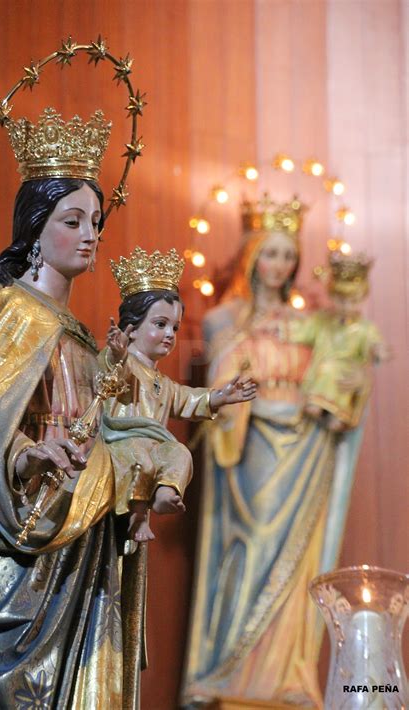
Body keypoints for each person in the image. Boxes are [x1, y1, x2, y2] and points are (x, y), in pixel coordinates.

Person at [0, 106, 144, 708]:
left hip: (79, 533)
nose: (90, 235)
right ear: (35, 228)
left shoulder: (76, 329)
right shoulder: (14, 314)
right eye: (72, 220)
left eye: (96, 222)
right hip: (22, 539)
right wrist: (28, 456)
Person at [182, 196, 371, 708]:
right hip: (252, 449)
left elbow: (332, 376)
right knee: (251, 545)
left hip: (305, 448)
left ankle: (287, 674)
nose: (281, 266)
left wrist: (351, 384)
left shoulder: (309, 322)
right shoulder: (225, 317)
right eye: (272, 253)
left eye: (290, 255)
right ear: (252, 256)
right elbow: (222, 388)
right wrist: (262, 400)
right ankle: (226, 668)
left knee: (297, 556)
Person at [99, 247, 257, 542]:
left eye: (174, 327)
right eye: (160, 325)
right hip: (120, 442)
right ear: (131, 329)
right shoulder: (123, 360)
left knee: (181, 453)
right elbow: (109, 378)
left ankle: (163, 495)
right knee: (141, 461)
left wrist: (220, 396)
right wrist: (117, 355)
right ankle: (136, 517)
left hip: (154, 445)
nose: (170, 334)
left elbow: (186, 399)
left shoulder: (161, 381)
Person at [287, 249, 390, 431]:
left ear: (362, 298)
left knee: (336, 378)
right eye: (341, 300)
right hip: (321, 371)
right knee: (325, 371)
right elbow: (304, 330)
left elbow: (372, 343)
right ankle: (318, 405)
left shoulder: (364, 328)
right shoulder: (322, 320)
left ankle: (337, 413)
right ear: (332, 296)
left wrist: (378, 350)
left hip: (345, 372)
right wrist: (286, 328)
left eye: (353, 301)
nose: (346, 306)